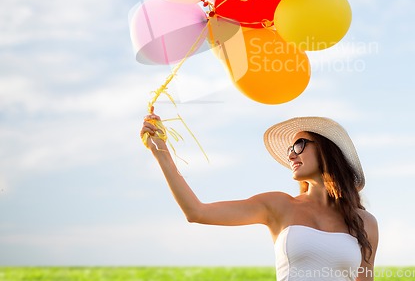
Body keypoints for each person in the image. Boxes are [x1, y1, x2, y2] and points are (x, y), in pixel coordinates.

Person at [140, 114, 378, 281]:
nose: (291, 155)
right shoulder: (279, 205)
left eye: (299, 145)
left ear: (327, 149)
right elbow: (197, 212)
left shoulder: (365, 223)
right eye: (289, 150)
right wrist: (161, 151)